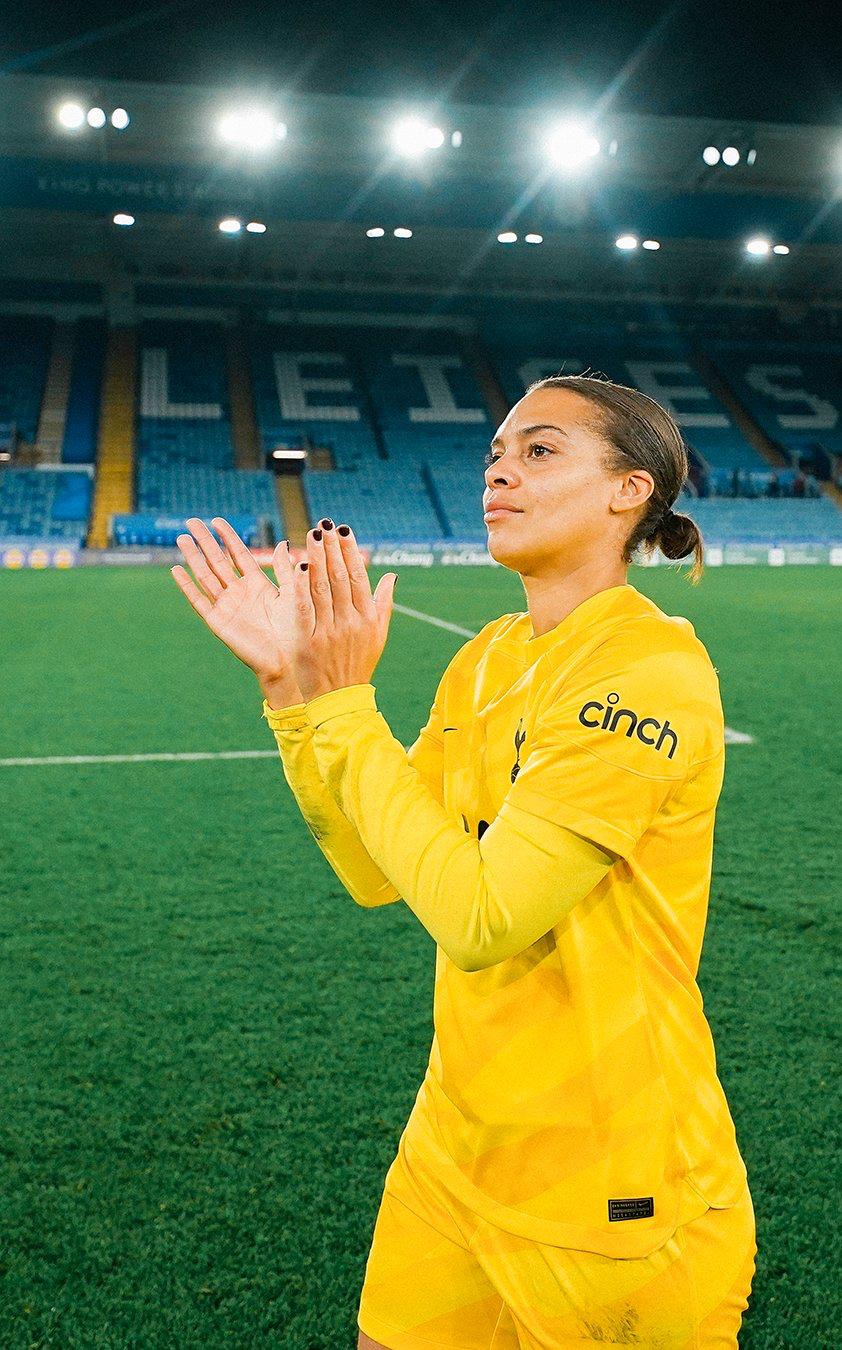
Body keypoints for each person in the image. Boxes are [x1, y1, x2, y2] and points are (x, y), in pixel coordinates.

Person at [171, 374, 754, 1349]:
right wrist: (292, 692)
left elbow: (485, 917)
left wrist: (347, 707)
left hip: (610, 1188)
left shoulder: (645, 669)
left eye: (540, 451)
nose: (499, 474)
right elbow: (373, 869)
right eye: (494, 455)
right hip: (454, 1150)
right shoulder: (487, 656)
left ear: (630, 489)